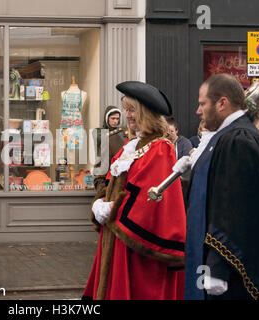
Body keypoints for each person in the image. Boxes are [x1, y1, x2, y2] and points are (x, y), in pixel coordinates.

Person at [83, 81, 186, 300]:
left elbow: (150, 200)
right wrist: (100, 202)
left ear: (145, 113)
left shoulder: (160, 148)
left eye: (132, 110)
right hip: (116, 235)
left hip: (135, 244)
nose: (127, 115)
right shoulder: (131, 145)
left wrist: (112, 209)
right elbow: (111, 182)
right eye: (126, 110)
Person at [183, 73, 259, 300]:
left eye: (202, 104)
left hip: (228, 271)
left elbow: (235, 208)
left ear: (222, 103)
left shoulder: (238, 139)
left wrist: (216, 268)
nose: (198, 111)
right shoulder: (226, 136)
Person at [93, 105, 128, 192]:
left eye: (117, 119)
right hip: (106, 174)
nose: (115, 121)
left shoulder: (123, 134)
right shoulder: (99, 133)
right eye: (113, 118)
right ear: (107, 118)